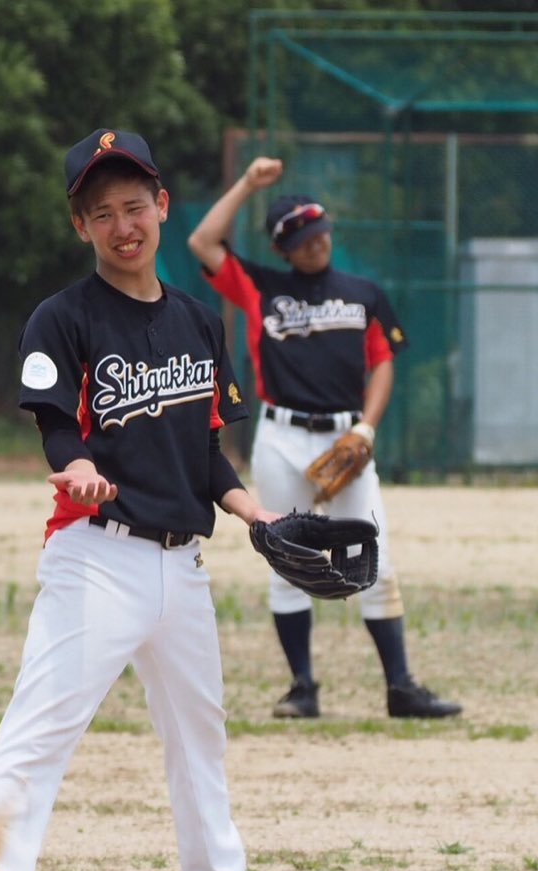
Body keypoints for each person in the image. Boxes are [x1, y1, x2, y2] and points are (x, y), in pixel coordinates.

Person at [0, 129, 329, 871]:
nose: (123, 225)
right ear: (79, 224)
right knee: (41, 730)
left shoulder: (197, 319)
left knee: (201, 738)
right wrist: (78, 466)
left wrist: (255, 515)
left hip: (180, 566)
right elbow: (55, 425)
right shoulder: (64, 318)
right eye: (101, 212)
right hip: (95, 557)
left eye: (134, 206)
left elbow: (203, 453)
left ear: (162, 206)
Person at [187, 156, 462, 721]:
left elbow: (382, 363)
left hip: (346, 438)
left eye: (321, 233)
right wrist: (246, 184)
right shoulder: (262, 288)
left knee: (373, 554)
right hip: (283, 436)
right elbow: (202, 241)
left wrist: (367, 427)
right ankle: (302, 688)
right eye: (304, 239)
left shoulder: (364, 293)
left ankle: (401, 688)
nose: (317, 245)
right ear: (285, 248)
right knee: (288, 556)